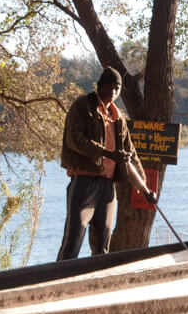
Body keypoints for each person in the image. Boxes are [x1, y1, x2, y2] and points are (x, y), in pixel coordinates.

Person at [57, 66, 150, 259]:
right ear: (101, 86)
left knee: (102, 245)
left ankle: (96, 283)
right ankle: (56, 282)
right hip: (83, 182)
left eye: (118, 88)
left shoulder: (118, 118)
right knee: (73, 240)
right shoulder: (83, 106)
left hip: (107, 187)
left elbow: (130, 155)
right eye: (111, 86)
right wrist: (107, 153)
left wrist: (144, 188)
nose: (115, 92)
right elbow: (75, 140)